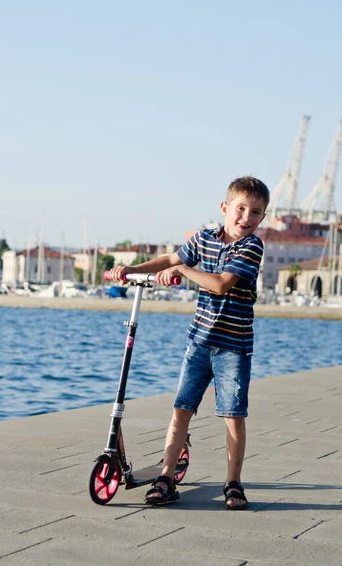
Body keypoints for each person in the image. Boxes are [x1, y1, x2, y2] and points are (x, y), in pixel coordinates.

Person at [108, 176, 269, 510]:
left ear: (262, 217)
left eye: (255, 212)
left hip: (233, 348)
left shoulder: (251, 246)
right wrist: (132, 270)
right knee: (181, 411)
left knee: (232, 416)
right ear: (225, 208)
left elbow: (222, 284)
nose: (246, 217)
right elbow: (169, 259)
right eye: (240, 209)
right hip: (198, 343)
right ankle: (166, 477)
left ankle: (233, 483)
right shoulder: (204, 238)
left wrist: (184, 269)